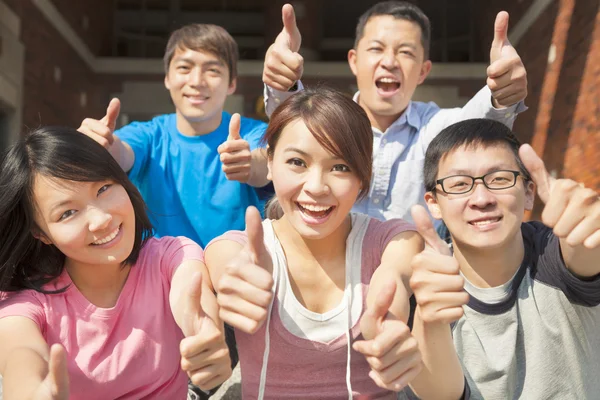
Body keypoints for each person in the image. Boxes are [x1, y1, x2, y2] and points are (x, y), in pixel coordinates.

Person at [203, 87, 467, 399]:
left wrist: (385, 327)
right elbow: (226, 263)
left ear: (362, 178)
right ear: (270, 163)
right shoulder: (239, 248)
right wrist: (234, 291)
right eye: (297, 162)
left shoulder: (393, 241)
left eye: (340, 167)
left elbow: (391, 281)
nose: (316, 187)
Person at [0, 127, 231, 399]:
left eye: (103, 188)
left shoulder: (171, 255)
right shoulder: (27, 300)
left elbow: (191, 294)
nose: (101, 220)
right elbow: (20, 355)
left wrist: (205, 334)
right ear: (41, 234)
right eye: (68, 213)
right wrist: (33, 391)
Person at [262, 2, 528, 226]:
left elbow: (477, 125)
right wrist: (281, 82)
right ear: (354, 60)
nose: (389, 62)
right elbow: (295, 122)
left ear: (423, 71)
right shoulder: (329, 122)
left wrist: (502, 93)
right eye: (377, 49)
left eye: (405, 52)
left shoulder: (437, 127)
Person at [409, 118, 600, 398]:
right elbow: (442, 395)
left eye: (499, 179)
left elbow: (584, 254)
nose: (482, 198)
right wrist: (428, 320)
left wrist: (589, 230)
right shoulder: (424, 285)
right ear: (434, 204)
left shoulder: (555, 256)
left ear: (529, 193)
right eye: (459, 184)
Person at [78, 23, 271, 248]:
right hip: (162, 273)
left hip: (236, 270)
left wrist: (250, 164)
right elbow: (121, 151)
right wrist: (101, 147)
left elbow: (266, 162)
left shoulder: (252, 133)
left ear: (232, 83)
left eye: (213, 70)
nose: (197, 81)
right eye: (184, 68)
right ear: (167, 78)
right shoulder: (149, 135)